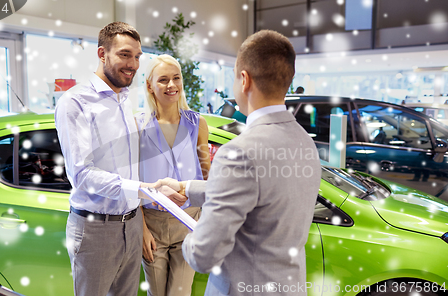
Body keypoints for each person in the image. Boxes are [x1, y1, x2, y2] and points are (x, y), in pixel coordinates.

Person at [160, 30, 321, 296]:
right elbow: (262, 190)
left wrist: (190, 236)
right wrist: (187, 188)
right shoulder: (304, 141)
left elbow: (203, 255)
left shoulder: (240, 152)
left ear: (244, 80)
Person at [55, 22, 155, 296]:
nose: (133, 64)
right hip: (95, 229)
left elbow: (130, 164)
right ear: (102, 54)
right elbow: (82, 174)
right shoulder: (75, 102)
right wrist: (140, 189)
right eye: (124, 54)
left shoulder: (124, 98)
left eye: (137, 57)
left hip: (132, 224)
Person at [136, 54, 211, 296]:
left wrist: (205, 222)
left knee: (180, 293)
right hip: (152, 222)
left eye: (176, 78)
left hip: (189, 221)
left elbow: (208, 178)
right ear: (149, 85)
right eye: (163, 80)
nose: (171, 85)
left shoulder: (197, 123)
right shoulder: (137, 125)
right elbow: (132, 182)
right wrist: (142, 229)